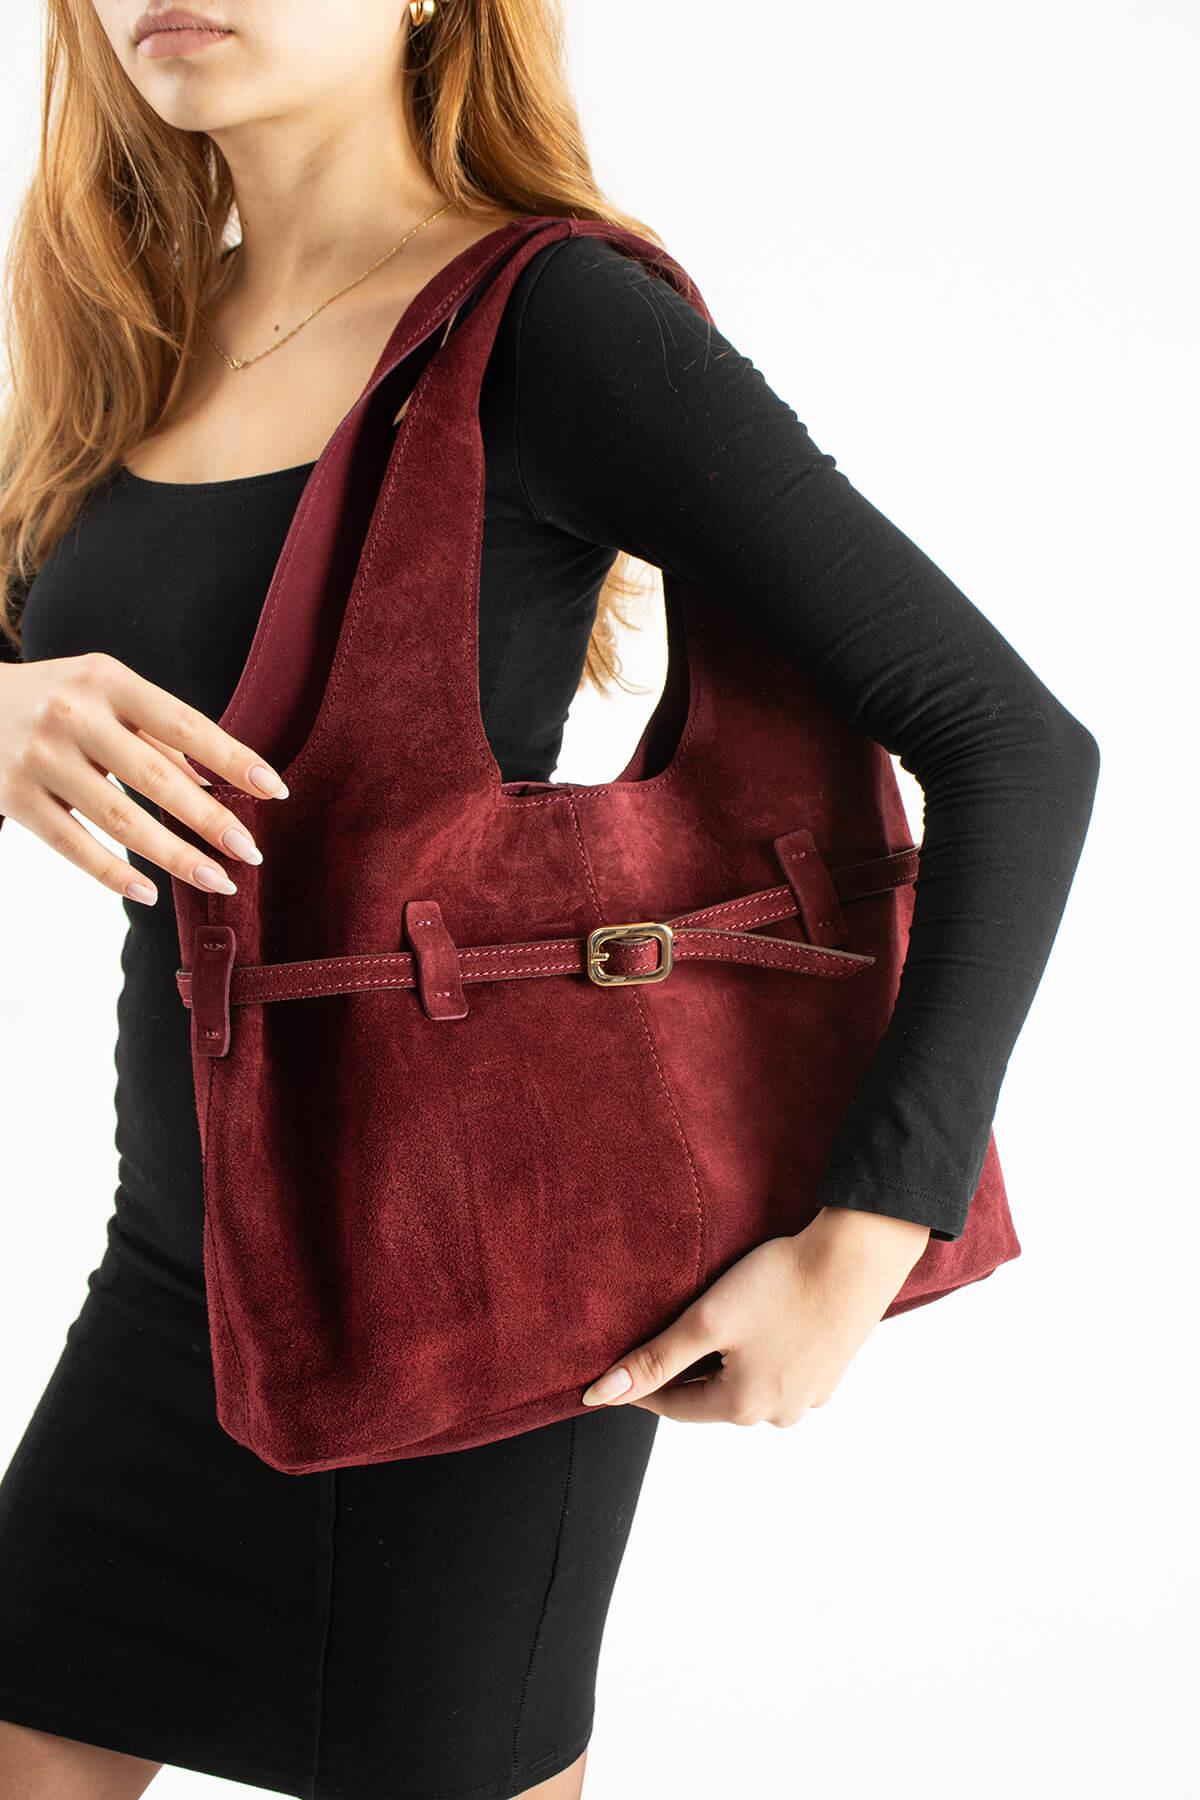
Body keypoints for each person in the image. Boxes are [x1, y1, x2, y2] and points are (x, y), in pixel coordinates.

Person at [0, 1, 1100, 1795]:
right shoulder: (138, 330)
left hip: (469, 1302)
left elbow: (1014, 744)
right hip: (177, 1290)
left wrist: (866, 1239)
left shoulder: (555, 321)